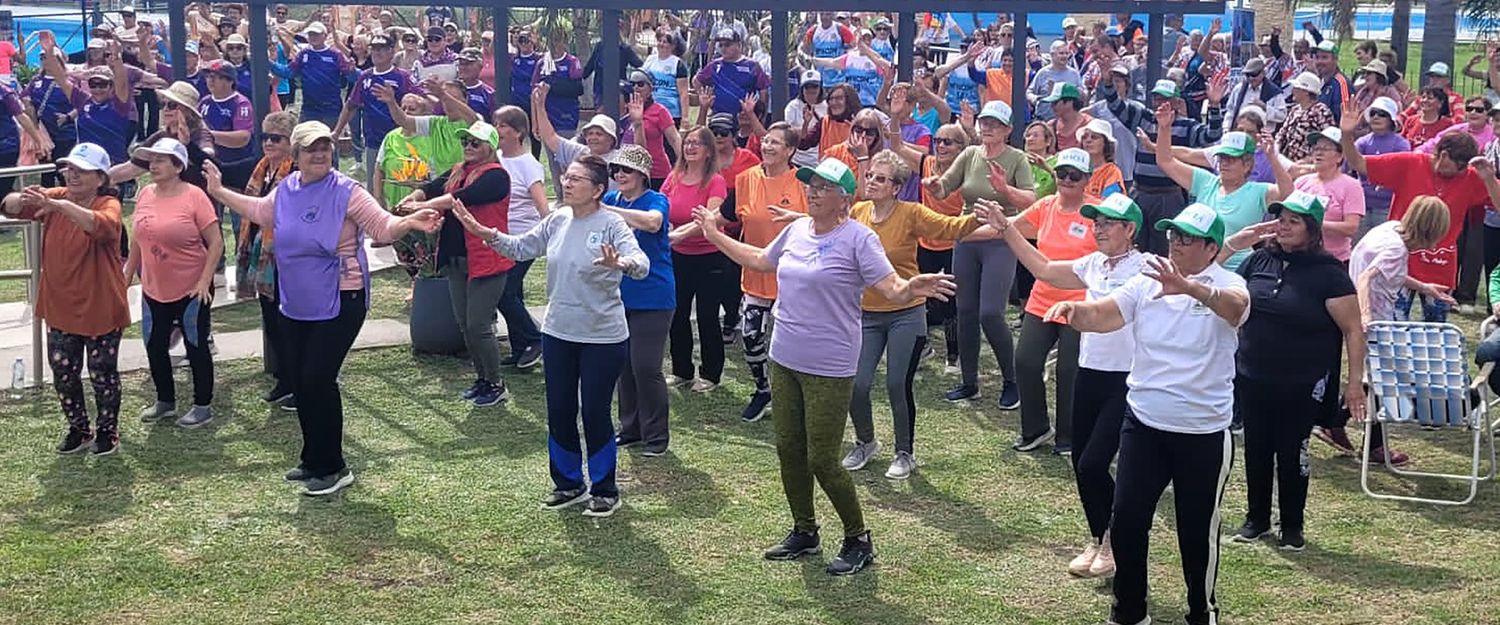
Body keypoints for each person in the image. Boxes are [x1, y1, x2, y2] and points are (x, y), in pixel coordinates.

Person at [692, 157, 955, 576]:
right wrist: (713, 233)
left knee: (823, 459)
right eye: (810, 184)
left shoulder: (859, 239)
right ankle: (805, 530)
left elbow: (890, 286)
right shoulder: (797, 230)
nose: (812, 191)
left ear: (844, 198)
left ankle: (858, 539)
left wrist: (912, 287)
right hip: (785, 357)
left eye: (823, 186)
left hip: (830, 365)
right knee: (788, 449)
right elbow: (761, 260)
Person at [205, 122, 443, 496]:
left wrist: (409, 222)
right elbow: (260, 211)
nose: (320, 155)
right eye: (311, 149)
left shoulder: (347, 191)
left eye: (325, 148)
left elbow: (382, 226)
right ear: (295, 156)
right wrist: (218, 190)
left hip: (340, 298)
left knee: (317, 378)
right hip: (296, 300)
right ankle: (312, 458)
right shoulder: (287, 188)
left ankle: (334, 467)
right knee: (300, 381)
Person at [1045, 203, 1248, 625]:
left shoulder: (1229, 283)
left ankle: (1201, 611)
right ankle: (1129, 611)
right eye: (1172, 235)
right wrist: (1075, 313)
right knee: (1127, 521)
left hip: (1203, 432)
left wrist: (1192, 288)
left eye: (1185, 239)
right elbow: (1106, 314)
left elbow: (1235, 309)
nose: (1174, 244)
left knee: (1195, 533)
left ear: (1212, 248)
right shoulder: (1146, 279)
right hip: (1144, 424)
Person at [449, 155, 649, 518]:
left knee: (594, 411)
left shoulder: (612, 225)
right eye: (566, 177)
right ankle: (569, 483)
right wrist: (484, 233)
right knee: (559, 409)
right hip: (559, 332)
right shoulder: (557, 219)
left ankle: (604, 489)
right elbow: (521, 247)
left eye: (576, 179)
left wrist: (621, 263)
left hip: (603, 337)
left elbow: (641, 263)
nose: (566, 183)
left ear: (598, 189)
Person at [992, 191, 1147, 577]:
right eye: (1097, 222)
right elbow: (1044, 269)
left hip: (1126, 378)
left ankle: (1113, 539)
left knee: (1095, 462)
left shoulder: (1146, 269)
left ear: (1130, 229)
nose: (1099, 228)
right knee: (1081, 462)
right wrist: (1008, 229)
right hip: (1089, 371)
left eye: (1108, 223)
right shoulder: (1094, 263)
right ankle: (1099, 539)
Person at [1222, 192, 1365, 552]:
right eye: (1280, 219)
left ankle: (1292, 525)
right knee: (1256, 448)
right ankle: (1256, 519)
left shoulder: (1329, 274)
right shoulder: (1257, 261)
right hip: (1252, 374)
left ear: (1312, 229)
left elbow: (1353, 330)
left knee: (1291, 451)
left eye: (1293, 221)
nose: (1283, 227)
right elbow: (1224, 293)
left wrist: (1353, 385)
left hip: (1302, 381)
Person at [843, 150, 980, 479]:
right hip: (867, 314)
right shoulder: (858, 211)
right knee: (856, 384)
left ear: (896, 187)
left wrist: (986, 214)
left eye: (881, 178)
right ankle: (865, 442)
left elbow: (952, 227)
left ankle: (905, 452)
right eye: (870, 176)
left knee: (895, 384)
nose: (872, 181)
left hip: (906, 312)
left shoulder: (911, 213)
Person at [0, 143, 129, 455]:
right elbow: (7, 205)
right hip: (60, 307)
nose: (71, 175)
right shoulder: (55, 198)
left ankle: (107, 432)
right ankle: (79, 429)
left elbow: (101, 226)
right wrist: (22, 199)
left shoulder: (108, 203)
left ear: (100, 178)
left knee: (103, 376)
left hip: (101, 307)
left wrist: (58, 206)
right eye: (69, 169)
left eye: (80, 171)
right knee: (64, 374)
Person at [1318, 197, 1454, 462]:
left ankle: (1343, 427)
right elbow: (1368, 276)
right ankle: (1351, 431)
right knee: (1384, 381)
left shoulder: (1389, 229)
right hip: (1377, 322)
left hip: (1365, 314)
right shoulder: (1397, 250)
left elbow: (1387, 272)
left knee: (1379, 380)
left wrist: (1424, 287)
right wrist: (1367, 315)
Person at [921, 100, 1036, 408]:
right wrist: (934, 185)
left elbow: (1030, 201)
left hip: (1000, 238)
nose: (988, 128)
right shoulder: (970, 154)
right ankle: (969, 382)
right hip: (967, 237)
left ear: (1009, 130)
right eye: (985, 122)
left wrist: (1005, 189)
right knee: (966, 311)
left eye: (995, 124)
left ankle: (1013, 380)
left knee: (991, 312)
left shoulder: (1017, 159)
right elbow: (945, 187)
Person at [396, 121, 514, 407]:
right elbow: (434, 186)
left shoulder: (497, 176)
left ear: (491, 146)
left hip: (487, 259)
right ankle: (483, 379)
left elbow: (457, 199)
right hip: (458, 258)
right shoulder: (461, 170)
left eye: (475, 143)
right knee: (464, 324)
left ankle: (496, 383)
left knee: (478, 325)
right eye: (465, 142)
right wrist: (416, 195)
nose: (469, 147)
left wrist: (423, 206)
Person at [124, 138, 222, 430]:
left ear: (178, 166)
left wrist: (205, 281)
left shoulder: (194, 196)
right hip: (154, 287)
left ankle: (202, 406)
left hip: (191, 287)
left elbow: (215, 242)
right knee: (154, 345)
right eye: (151, 160)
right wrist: (128, 274)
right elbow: (138, 238)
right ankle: (165, 401)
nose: (153, 165)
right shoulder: (144, 194)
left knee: (195, 346)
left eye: (161, 160)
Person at [716, 122, 805, 422]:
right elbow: (722, 218)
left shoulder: (803, 182)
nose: (767, 146)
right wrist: (683, 231)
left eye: (776, 143)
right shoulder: (746, 179)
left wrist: (800, 216)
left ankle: (793, 395)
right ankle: (763, 389)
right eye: (765, 141)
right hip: (755, 273)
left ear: (790, 150)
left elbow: (826, 220)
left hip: (794, 278)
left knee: (788, 342)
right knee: (752, 335)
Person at [603, 145, 674, 456]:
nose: (619, 174)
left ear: (643, 174)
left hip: (654, 296)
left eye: (626, 170)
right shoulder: (610, 199)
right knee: (623, 366)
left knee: (646, 366)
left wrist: (608, 211)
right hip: (619, 295)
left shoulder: (656, 200)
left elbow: (652, 223)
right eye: (615, 169)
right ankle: (630, 428)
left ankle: (657, 436)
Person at [1156, 114, 1292, 271]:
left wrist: (1272, 158)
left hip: (1236, 269)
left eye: (1231, 159)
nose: (1224, 163)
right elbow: (1165, 161)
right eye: (1222, 158)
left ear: (1247, 164)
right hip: (1196, 266)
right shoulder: (1205, 182)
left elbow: (1287, 194)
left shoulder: (1259, 191)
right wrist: (1164, 128)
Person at [236, 112, 298, 409]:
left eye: (277, 138)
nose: (269, 143)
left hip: (288, 257)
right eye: (265, 138)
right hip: (262, 258)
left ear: (291, 142)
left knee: (289, 324)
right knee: (272, 321)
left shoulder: (298, 171)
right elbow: (224, 171)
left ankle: (296, 382)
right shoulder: (261, 168)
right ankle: (284, 378)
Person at [662, 126, 729, 392]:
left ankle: (711, 374)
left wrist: (677, 235)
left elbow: (708, 219)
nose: (690, 147)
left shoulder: (716, 181)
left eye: (696, 144)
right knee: (677, 314)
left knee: (707, 316)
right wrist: (667, 229)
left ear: (708, 152)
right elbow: (662, 205)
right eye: (687, 143)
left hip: (710, 256)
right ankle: (682, 371)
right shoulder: (675, 176)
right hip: (679, 257)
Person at [491, 105, 548, 368]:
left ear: (519, 132)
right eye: (497, 124)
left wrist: (552, 232)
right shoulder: (495, 160)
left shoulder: (529, 164)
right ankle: (520, 348)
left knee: (502, 293)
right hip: (502, 239)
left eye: (504, 125)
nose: (498, 130)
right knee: (514, 293)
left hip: (525, 239)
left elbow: (541, 203)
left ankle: (536, 338)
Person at [334, 34, 424, 189]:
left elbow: (422, 102)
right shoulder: (365, 77)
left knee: (402, 185)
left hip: (400, 142)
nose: (377, 53)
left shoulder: (402, 77)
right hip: (373, 143)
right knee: (375, 188)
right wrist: (336, 132)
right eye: (374, 48)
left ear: (391, 51)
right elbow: (351, 105)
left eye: (382, 49)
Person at [1295, 128, 1365, 261]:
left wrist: (1313, 223)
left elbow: (1351, 227)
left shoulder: (1351, 186)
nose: (1319, 153)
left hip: (1335, 260)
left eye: (1325, 149)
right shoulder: (1301, 182)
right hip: (1300, 257)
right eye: (1316, 148)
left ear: (1339, 156)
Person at [1353, 97, 1410, 239]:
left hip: (1387, 206)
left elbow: (1401, 174)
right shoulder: (1362, 142)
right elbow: (1348, 168)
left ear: (1391, 119)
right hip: (1362, 205)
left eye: (1382, 114)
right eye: (1373, 113)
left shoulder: (1401, 144)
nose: (1376, 117)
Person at [624, 69, 682, 189]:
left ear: (650, 89)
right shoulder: (623, 108)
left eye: (640, 84)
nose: (636, 87)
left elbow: (674, 139)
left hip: (656, 171)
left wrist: (684, 164)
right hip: (629, 169)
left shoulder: (659, 111)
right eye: (632, 84)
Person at [695, 28, 771, 119]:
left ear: (739, 45)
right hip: (719, 117)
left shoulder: (752, 66)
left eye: (727, 45)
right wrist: (704, 97)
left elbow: (764, 92)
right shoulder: (714, 65)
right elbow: (697, 80)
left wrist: (761, 116)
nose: (723, 48)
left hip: (744, 118)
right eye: (721, 45)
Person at [1276, 72, 1336, 162]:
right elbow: (1282, 134)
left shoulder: (1321, 111)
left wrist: (1309, 160)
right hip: (1288, 163)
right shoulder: (1295, 110)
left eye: (1296, 88)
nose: (1293, 91)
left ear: (1306, 92)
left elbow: (1330, 140)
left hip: (1309, 165)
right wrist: (1276, 149)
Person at [642, 29, 691, 127]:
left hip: (671, 112)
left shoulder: (678, 64)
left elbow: (683, 93)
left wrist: (685, 117)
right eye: (660, 41)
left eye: (665, 42)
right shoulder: (650, 60)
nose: (661, 44)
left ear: (672, 46)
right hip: (650, 108)